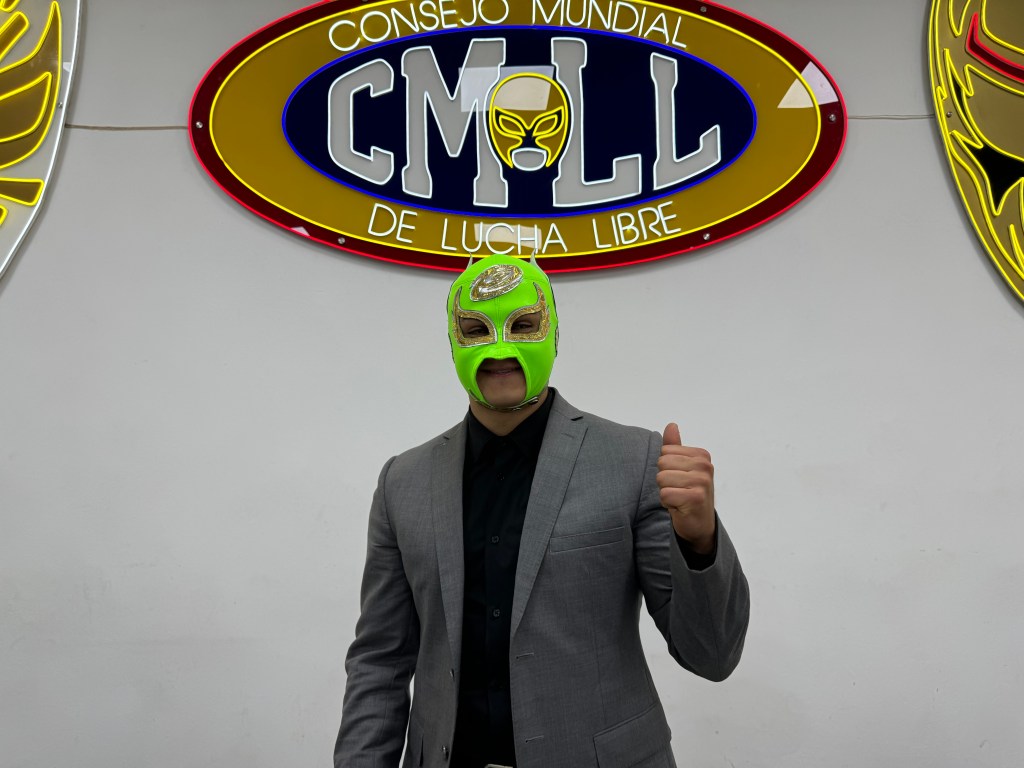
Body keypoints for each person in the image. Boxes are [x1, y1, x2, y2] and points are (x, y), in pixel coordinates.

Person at [334, 254, 749, 768]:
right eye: (476, 329)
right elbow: (380, 658)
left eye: (523, 325)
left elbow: (712, 655)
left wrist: (699, 540)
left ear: (554, 334)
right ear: (452, 341)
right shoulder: (403, 481)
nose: (500, 348)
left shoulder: (635, 462)